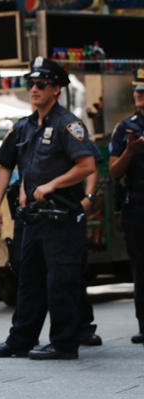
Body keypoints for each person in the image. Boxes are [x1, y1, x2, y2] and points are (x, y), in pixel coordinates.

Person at [0, 56, 96, 360]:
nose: (34, 89)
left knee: (61, 280)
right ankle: (20, 340)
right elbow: (5, 164)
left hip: (61, 218)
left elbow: (86, 165)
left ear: (56, 89)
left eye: (41, 84)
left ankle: (63, 343)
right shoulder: (23, 126)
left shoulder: (67, 124)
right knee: (28, 280)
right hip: (32, 219)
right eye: (30, 83)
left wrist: (52, 184)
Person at [109, 68, 144, 345]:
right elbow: (113, 173)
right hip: (138, 202)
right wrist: (130, 152)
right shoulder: (126, 128)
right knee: (140, 267)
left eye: (143, 90)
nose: (139, 94)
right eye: (137, 90)